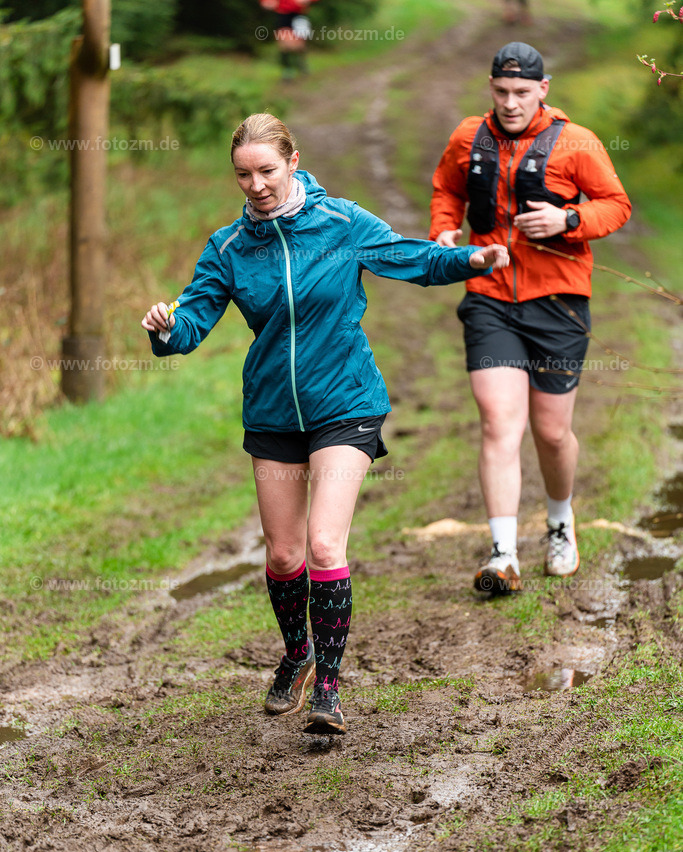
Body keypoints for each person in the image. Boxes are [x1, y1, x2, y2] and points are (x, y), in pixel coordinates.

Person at [142, 113, 509, 735]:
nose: (256, 185)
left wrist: (476, 258)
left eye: (266, 171)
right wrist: (167, 328)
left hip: (345, 402)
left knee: (322, 545)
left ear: (291, 162)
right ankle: (297, 655)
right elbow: (193, 321)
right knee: (285, 556)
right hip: (272, 411)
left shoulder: (340, 222)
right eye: (243, 175)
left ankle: (330, 692)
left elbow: (410, 258)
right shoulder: (228, 248)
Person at [430, 42, 631, 595]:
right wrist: (443, 232)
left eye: (522, 93)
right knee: (499, 421)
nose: (511, 103)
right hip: (490, 297)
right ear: (490, 88)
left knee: (551, 431)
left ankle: (561, 523)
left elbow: (616, 204)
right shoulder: (468, 137)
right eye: (501, 92)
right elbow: (446, 189)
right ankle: (502, 554)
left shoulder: (577, 142)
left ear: (544, 90)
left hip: (558, 303)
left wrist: (568, 217)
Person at [259, 0, 317, 80]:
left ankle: (301, 63)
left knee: (299, 45)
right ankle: (287, 69)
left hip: (299, 15)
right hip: (283, 14)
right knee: (284, 43)